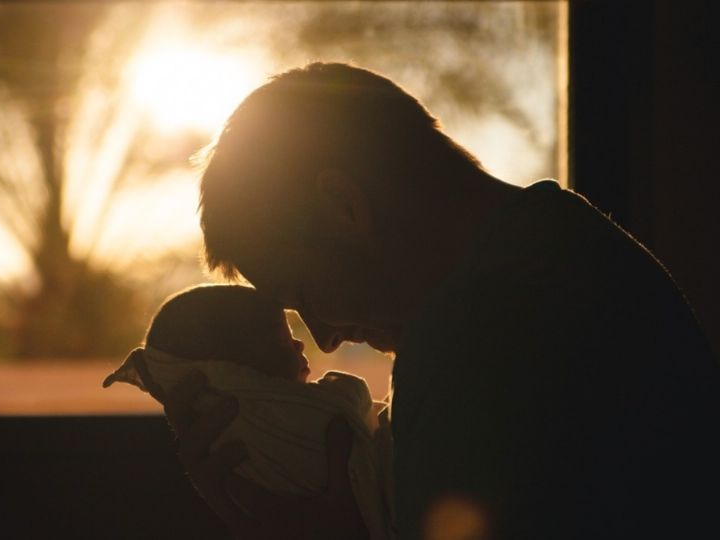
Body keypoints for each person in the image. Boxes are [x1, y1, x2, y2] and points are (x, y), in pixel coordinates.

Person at [162, 62, 720, 539]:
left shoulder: (473, 336)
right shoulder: (570, 244)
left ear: (342, 205)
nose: (324, 337)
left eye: (301, 294)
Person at [103, 284, 395, 538]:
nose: (306, 341)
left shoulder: (225, 444)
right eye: (282, 340)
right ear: (233, 373)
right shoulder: (270, 421)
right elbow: (350, 402)